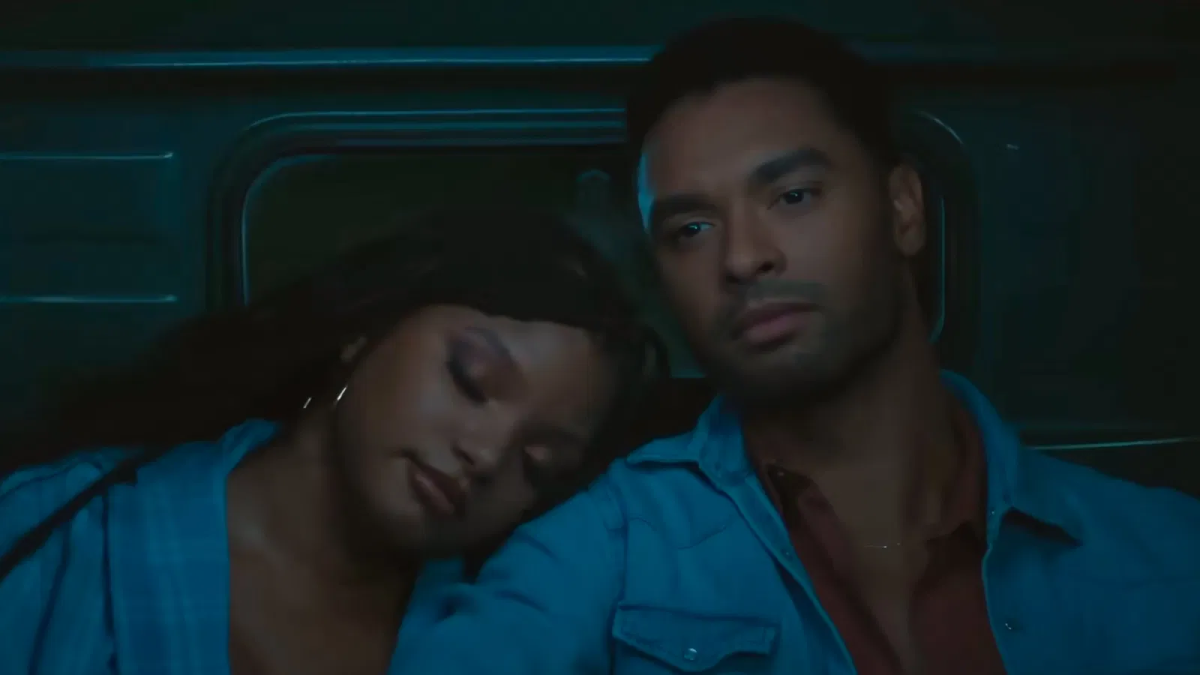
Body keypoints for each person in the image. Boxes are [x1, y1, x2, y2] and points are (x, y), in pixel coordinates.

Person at [390, 17, 1200, 675]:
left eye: (794, 195)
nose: (743, 257)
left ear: (904, 210)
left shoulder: (1166, 555)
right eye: (691, 229)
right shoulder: (603, 551)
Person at [0, 207, 665, 675]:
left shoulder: (499, 632)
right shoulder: (48, 531)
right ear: (366, 332)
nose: (487, 456)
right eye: (470, 379)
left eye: (538, 464)